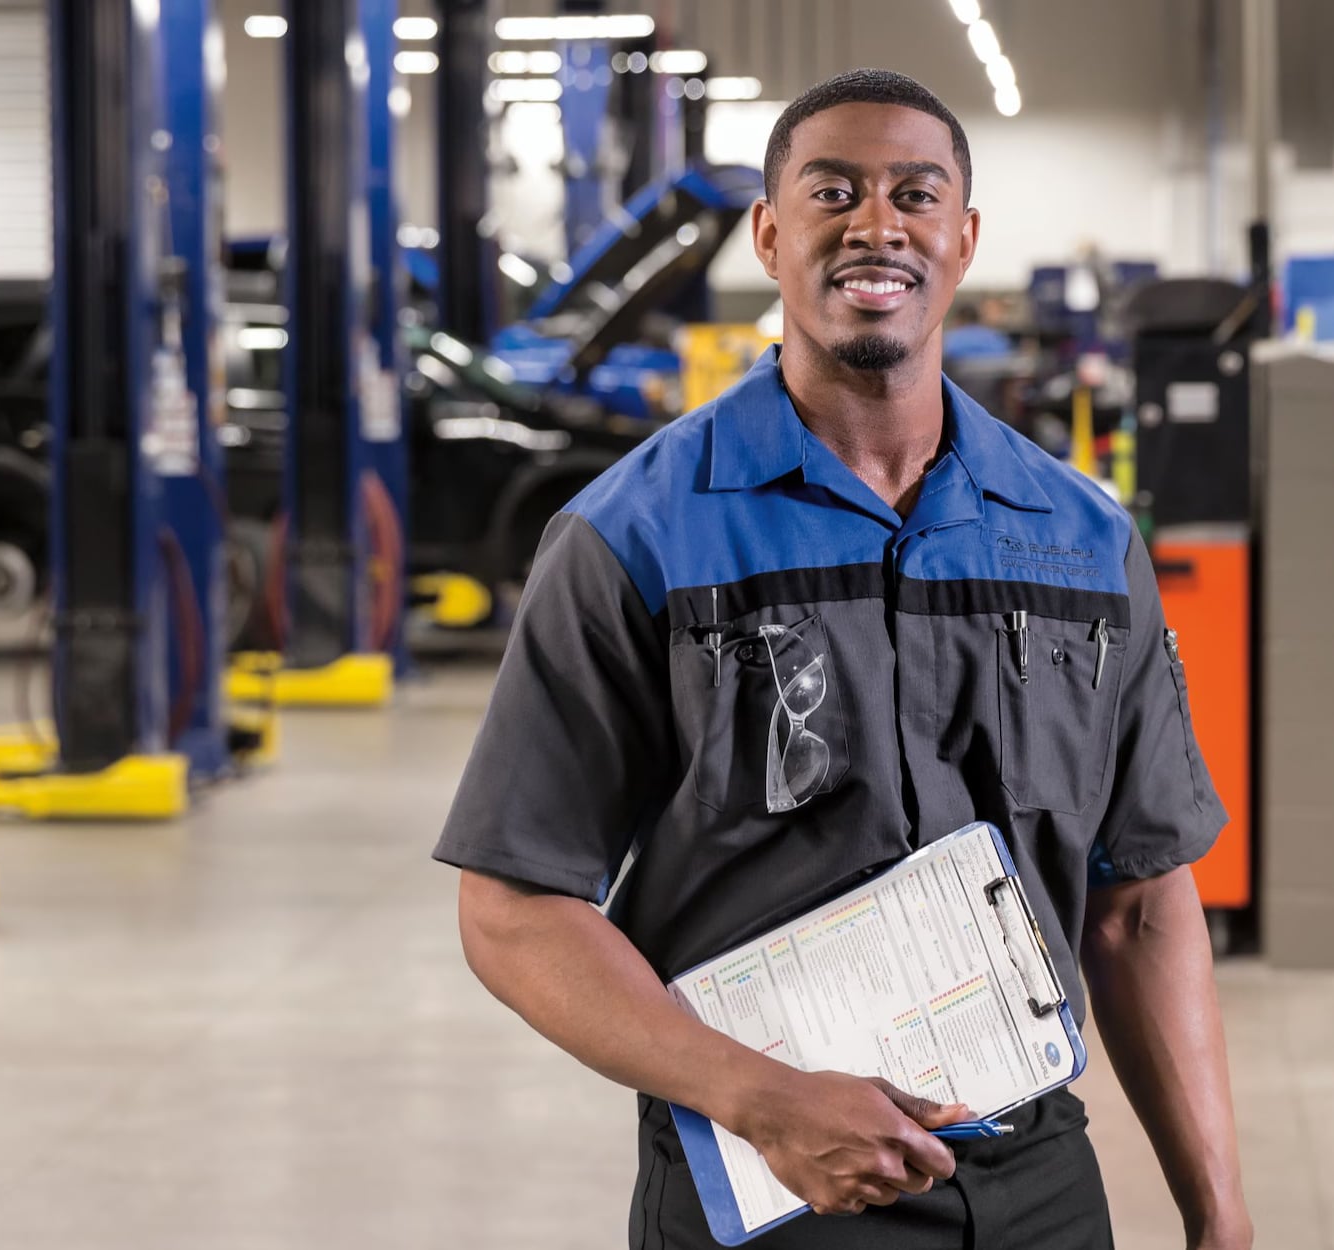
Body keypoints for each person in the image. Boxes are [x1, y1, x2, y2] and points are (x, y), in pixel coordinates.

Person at [434, 69, 1252, 1250]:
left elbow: (1137, 905)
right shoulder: (638, 534)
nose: (878, 223)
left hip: (1037, 1187)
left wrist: (1218, 1217)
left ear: (963, 240)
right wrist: (758, 1095)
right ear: (770, 235)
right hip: (771, 1190)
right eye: (833, 192)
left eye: (915, 194)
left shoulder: (1081, 538)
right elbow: (512, 904)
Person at [941, 301, 1016, 361]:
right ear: (978, 318)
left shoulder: (950, 339)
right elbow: (1008, 355)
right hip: (994, 378)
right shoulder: (996, 337)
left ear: (958, 319)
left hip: (958, 378)